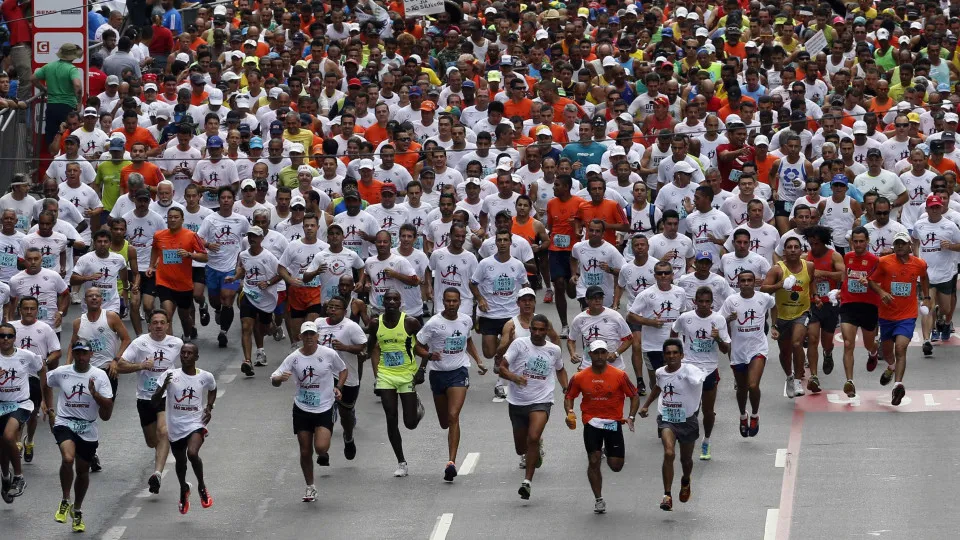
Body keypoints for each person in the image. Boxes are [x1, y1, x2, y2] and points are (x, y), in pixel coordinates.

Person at [414, 288, 487, 482]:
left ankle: (451, 462)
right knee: (444, 421)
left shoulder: (465, 320)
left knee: (454, 416)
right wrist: (429, 355)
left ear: (460, 301)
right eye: (448, 301)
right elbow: (417, 345)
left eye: (455, 301)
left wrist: (478, 360)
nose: (452, 304)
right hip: (438, 374)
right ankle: (423, 409)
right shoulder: (434, 323)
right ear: (443, 302)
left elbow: (468, 340)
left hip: (459, 372)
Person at [271, 321, 348, 502]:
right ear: (300, 337)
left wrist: (339, 387)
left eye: (312, 334)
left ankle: (323, 452)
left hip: (324, 406)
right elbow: (274, 378)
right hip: (302, 408)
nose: (309, 338)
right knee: (305, 451)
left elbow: (343, 370)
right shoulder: (294, 358)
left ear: (317, 336)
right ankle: (310, 486)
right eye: (305, 335)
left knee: (320, 448)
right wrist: (279, 379)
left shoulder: (328, 354)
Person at [563, 340, 639, 515]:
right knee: (594, 460)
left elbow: (634, 396)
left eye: (602, 352)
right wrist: (570, 412)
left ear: (607, 354)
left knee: (616, 465)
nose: (599, 356)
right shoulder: (580, 377)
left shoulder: (619, 375)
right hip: (592, 422)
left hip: (613, 422)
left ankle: (606, 451)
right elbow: (569, 396)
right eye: (595, 353)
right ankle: (598, 499)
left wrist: (631, 417)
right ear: (590, 354)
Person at [47, 339, 114, 533]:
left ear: (91, 355)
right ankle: (65, 500)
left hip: (88, 427)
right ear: (74, 354)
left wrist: (95, 395)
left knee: (83, 471)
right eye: (77, 353)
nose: (81, 357)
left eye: (85, 353)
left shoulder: (99, 376)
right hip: (65, 422)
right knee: (67, 458)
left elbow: (108, 405)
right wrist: (48, 406)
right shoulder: (63, 372)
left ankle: (77, 510)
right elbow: (45, 380)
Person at [500, 313, 567, 500]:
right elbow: (502, 367)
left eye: (541, 330)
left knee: (534, 436)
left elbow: (560, 370)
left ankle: (527, 482)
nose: (537, 333)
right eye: (534, 329)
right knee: (521, 448)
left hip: (542, 400)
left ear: (547, 331)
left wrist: (566, 388)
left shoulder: (554, 350)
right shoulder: (519, 345)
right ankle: (534, 451)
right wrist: (514, 377)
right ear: (530, 329)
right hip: (517, 401)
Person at [117, 310, 183, 495]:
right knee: (152, 440)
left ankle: (157, 474)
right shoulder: (140, 344)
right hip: (145, 398)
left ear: (168, 325)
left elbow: (188, 362)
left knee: (164, 431)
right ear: (149, 325)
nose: (159, 326)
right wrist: (141, 365)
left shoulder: (176, 343)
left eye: (163, 322)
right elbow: (120, 366)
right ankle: (160, 454)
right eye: (155, 322)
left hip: (166, 396)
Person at [639, 339, 707, 511]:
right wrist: (646, 405)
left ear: (681, 355)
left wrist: (697, 379)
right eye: (668, 353)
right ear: (664, 356)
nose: (672, 356)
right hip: (667, 417)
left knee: (686, 460)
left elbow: (700, 378)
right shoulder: (661, 372)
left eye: (675, 353)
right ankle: (667, 495)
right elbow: (657, 387)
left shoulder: (690, 370)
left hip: (687, 420)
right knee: (669, 453)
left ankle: (685, 479)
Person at [66, 287, 130, 471]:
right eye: (90, 296)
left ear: (102, 300)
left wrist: (116, 361)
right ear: (85, 300)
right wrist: (68, 366)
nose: (94, 298)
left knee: (105, 414)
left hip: (107, 372)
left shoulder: (110, 318)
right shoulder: (79, 322)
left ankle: (88, 449)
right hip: (85, 372)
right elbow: (72, 344)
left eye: (97, 296)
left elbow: (126, 339)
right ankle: (89, 452)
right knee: (85, 412)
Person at [867, 231, 931, 406]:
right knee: (888, 354)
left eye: (903, 243)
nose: (900, 246)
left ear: (910, 245)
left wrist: (926, 297)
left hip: (907, 316)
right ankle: (891, 367)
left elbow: (924, 277)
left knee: (901, 348)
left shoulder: (919, 264)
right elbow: (870, 280)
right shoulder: (884, 262)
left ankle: (898, 385)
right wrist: (882, 292)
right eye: (897, 244)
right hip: (887, 315)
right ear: (893, 246)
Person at [152, 342, 216, 514]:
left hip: (196, 423)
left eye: (189, 353)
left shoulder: (205, 376)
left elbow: (212, 388)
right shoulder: (170, 375)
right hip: (176, 427)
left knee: (192, 453)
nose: (186, 356)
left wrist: (209, 407)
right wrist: (164, 386)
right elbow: (154, 401)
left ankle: (202, 487)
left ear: (196, 357)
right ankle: (183, 489)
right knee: (180, 462)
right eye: (183, 353)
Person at [369, 289, 425, 478]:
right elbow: (370, 347)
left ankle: (418, 407)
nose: (392, 301)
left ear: (400, 302)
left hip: (407, 375)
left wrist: (422, 369)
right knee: (390, 417)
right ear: (383, 302)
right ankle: (401, 462)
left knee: (409, 423)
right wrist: (373, 370)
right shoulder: (376, 324)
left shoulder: (410, 322)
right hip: (386, 375)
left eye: (395, 298)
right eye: (388, 299)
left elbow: (425, 345)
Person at [670, 287, 730, 460]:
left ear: (712, 303)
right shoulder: (685, 318)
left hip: (709, 370)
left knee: (708, 411)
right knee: (690, 409)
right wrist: (676, 351)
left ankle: (707, 440)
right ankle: (687, 440)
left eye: (707, 302)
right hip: (689, 369)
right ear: (694, 302)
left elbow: (726, 350)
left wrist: (717, 338)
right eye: (700, 301)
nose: (704, 305)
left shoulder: (718, 320)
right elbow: (674, 331)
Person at [470, 229, 528, 399]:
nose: (502, 243)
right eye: (499, 240)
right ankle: (498, 354)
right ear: (495, 243)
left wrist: (525, 309)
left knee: (507, 346)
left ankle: (502, 382)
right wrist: (480, 299)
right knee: (488, 352)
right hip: (489, 314)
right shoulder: (485, 264)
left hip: (510, 314)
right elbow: (473, 283)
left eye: (505, 240)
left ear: (511, 243)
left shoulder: (517, 265)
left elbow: (525, 286)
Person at [720, 272, 776, 436]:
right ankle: (743, 415)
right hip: (738, 350)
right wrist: (729, 319)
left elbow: (774, 305)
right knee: (742, 388)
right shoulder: (731, 301)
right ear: (738, 283)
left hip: (758, 348)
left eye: (749, 280)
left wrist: (775, 326)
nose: (746, 283)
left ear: (754, 283)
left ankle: (755, 415)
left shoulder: (763, 298)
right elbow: (719, 320)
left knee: (753, 385)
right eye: (742, 281)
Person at [761, 237, 816, 398]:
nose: (793, 250)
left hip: (802, 312)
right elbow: (764, 289)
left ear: (801, 250)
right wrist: (779, 285)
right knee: (785, 351)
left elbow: (811, 282)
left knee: (797, 343)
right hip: (782, 316)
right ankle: (790, 377)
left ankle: (798, 379)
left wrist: (816, 296)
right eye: (789, 247)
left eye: (796, 247)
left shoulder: (809, 266)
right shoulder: (777, 269)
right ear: (784, 251)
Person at [313, 296, 367, 460]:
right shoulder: (318, 324)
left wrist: (345, 347)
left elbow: (362, 347)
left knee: (346, 414)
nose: (333, 310)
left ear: (345, 311)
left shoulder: (351, 327)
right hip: (324, 376)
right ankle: (323, 450)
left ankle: (348, 436)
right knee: (323, 412)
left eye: (337, 307)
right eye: (330, 307)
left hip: (348, 377)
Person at [10, 297, 61, 465]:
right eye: (26, 308)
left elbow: (57, 351)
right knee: (17, 411)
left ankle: (29, 441)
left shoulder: (45, 329)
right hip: (15, 377)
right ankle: (17, 444)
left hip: (36, 376)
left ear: (37, 310)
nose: (29, 312)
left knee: (32, 413)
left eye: (32, 308)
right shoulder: (12, 328)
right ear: (20, 310)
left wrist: (44, 361)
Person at [0, 322, 47, 503]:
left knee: (9, 436)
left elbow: (42, 369)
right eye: (2, 336)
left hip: (21, 404)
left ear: (14, 338)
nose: (5, 339)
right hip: (1, 405)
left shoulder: (26, 356)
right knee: (3, 448)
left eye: (9, 336)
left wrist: (43, 400)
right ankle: (6, 477)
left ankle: (18, 477)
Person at [198, 187, 250, 348]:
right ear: (219, 200)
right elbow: (198, 239)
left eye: (229, 197)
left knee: (227, 298)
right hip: (213, 266)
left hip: (231, 267)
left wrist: (244, 262)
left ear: (233, 200)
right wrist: (208, 244)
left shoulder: (241, 220)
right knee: (215, 301)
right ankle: (216, 310)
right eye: (223, 198)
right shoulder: (210, 219)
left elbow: (249, 240)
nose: (226, 200)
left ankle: (223, 332)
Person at [227, 226, 282, 375]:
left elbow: (282, 273)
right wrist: (235, 277)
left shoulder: (269, 256)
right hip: (248, 294)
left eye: (256, 236)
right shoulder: (243, 255)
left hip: (266, 297)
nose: (252, 239)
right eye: (250, 236)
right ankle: (247, 361)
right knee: (247, 327)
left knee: (263, 328)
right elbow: (241, 269)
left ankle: (270, 327)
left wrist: (268, 283)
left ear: (261, 238)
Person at [151, 207, 208, 341]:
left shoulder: (191, 235)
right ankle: (168, 345)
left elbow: (205, 257)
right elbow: (154, 249)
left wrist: (189, 254)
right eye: (170, 217)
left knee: (184, 316)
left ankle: (187, 336)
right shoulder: (159, 235)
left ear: (182, 220)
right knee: (167, 314)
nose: (172, 219)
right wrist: (151, 265)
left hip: (183, 284)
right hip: (164, 281)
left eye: (176, 217)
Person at [839, 227, 882, 398]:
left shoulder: (875, 260)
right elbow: (845, 277)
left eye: (861, 241)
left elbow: (879, 282)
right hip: (849, 304)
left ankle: (873, 352)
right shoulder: (847, 257)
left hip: (868, 306)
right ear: (851, 242)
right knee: (848, 344)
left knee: (867, 344)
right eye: (855, 241)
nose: (858, 245)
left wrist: (870, 281)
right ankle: (850, 382)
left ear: (867, 241)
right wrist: (838, 291)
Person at [803, 225, 845, 393]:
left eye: (817, 243)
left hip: (830, 303)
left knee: (826, 341)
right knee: (812, 339)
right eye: (811, 243)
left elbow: (843, 275)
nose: (814, 247)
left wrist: (822, 273)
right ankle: (814, 376)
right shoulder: (805, 257)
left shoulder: (834, 256)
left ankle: (828, 353)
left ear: (824, 242)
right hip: (813, 303)